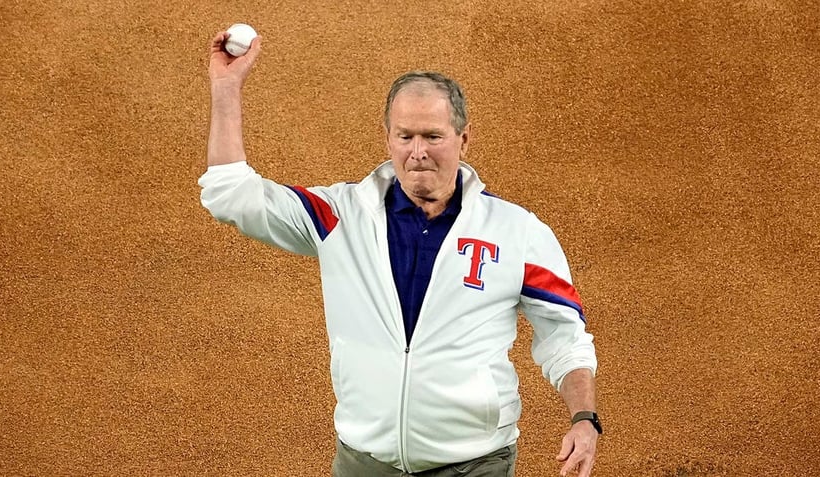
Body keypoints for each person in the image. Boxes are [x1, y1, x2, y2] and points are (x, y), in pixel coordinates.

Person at [199, 29, 602, 477]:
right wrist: (226, 87)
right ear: (387, 137)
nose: (417, 153)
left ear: (464, 139)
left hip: (474, 463)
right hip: (364, 461)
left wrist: (583, 419)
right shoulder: (338, 216)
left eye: (433, 136)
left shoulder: (517, 232)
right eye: (404, 136)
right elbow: (231, 195)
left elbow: (564, 337)